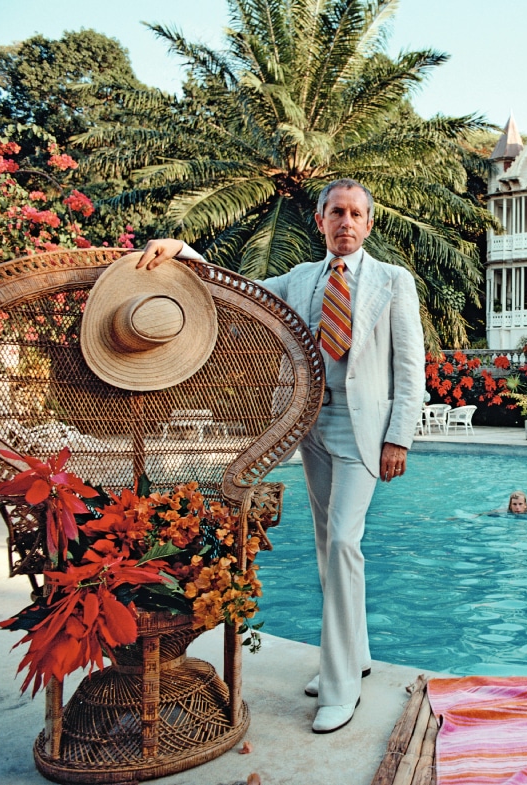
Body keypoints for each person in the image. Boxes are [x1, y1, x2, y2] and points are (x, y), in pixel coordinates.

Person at [136, 178, 425, 734]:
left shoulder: (393, 281)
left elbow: (409, 367)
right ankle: (355, 655)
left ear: (369, 224)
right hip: (309, 423)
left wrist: (399, 436)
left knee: (344, 541)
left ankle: (340, 687)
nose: (346, 222)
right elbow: (239, 290)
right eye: (336, 212)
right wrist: (185, 253)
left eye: (356, 214)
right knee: (327, 545)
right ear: (319, 221)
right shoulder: (299, 280)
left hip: (362, 428)